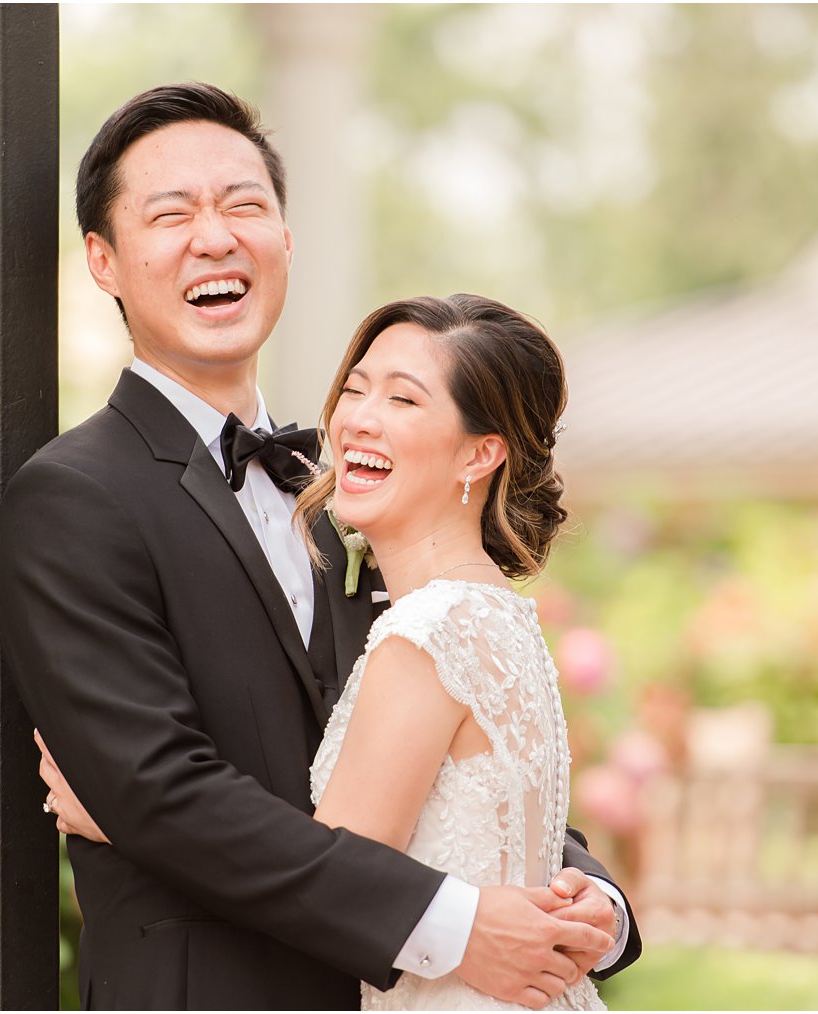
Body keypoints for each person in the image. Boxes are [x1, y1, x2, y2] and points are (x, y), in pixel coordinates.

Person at [0, 82, 640, 1010]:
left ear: (285, 241)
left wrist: (593, 904)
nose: (215, 236)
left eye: (244, 205)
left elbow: (440, 754)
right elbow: (162, 792)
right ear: (103, 260)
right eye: (172, 215)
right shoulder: (75, 498)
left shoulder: (342, 497)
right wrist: (453, 921)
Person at [304, 293, 608, 1009]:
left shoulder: (429, 633)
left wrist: (129, 822)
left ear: (480, 453)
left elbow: (325, 887)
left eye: (404, 400)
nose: (360, 419)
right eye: (355, 389)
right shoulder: (498, 616)